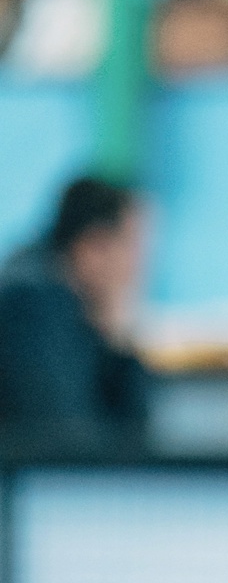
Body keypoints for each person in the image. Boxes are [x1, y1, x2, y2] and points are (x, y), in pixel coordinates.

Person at [0, 175, 151, 443]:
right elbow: (68, 442)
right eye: (133, 248)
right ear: (93, 247)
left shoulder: (70, 306)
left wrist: (117, 338)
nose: (138, 269)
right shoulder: (31, 308)